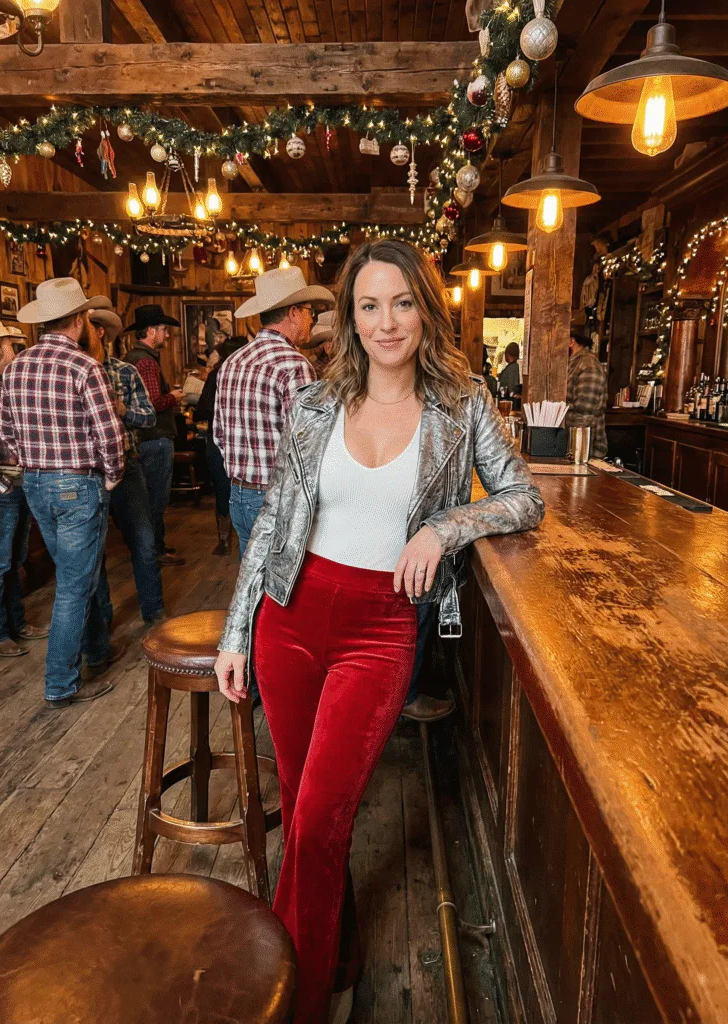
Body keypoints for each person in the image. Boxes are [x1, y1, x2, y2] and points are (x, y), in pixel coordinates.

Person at [214, 239, 544, 1024]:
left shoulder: (462, 405)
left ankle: (290, 1000)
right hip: (289, 620)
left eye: (400, 302)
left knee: (324, 814)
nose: (385, 321)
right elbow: (269, 526)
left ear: (423, 310)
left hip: (380, 629)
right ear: (349, 319)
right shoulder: (314, 403)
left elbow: (524, 498)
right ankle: (337, 958)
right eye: (368, 305)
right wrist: (235, 631)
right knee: (304, 811)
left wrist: (445, 528)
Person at [0, 279, 126, 708]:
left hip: (35, 483)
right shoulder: (85, 366)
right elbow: (109, 432)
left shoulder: (15, 366)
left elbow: (6, 434)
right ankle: (60, 683)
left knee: (77, 574)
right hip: (77, 483)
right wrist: (112, 474)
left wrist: (31, 464)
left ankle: (96, 652)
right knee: (75, 584)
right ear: (78, 320)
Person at [213, 266, 335, 557]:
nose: (311, 319)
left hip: (238, 494)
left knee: (252, 585)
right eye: (309, 312)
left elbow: (219, 434)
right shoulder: (293, 365)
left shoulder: (232, 361)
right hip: (276, 497)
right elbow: (309, 446)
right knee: (283, 591)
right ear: (294, 312)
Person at [87, 309, 165, 626]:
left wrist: (122, 409)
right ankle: (102, 623)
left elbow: (148, 418)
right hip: (87, 473)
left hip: (127, 464)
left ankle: (155, 613)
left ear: (100, 332)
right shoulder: (69, 373)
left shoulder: (125, 371)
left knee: (144, 544)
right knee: (92, 554)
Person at [0, 318, 49, 658]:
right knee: (0, 563)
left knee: (14, 558)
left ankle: (16, 622)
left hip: (17, 480)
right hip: (3, 485)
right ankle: (0, 632)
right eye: (12, 346)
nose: (16, 352)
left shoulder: (5, 382)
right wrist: (0, 484)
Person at [122, 305, 185, 567]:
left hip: (141, 439)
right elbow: (153, 402)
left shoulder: (131, 357)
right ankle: (154, 552)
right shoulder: (146, 361)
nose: (166, 336)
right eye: (163, 330)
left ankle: (150, 549)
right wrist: (175, 396)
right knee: (156, 500)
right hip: (155, 437)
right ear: (150, 331)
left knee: (146, 500)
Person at [195, 336, 248, 556]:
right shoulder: (247, 375)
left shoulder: (217, 375)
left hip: (218, 440)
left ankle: (224, 539)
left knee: (222, 488)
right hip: (244, 440)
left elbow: (202, 409)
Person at [566, 329, 608, 459]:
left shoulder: (589, 365)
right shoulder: (575, 364)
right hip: (573, 447)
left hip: (586, 451)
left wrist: (559, 407)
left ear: (571, 341)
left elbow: (585, 407)